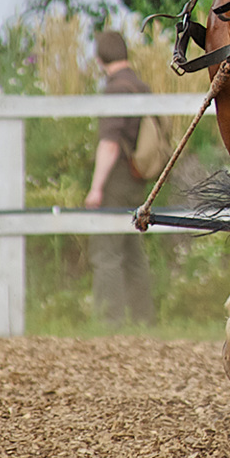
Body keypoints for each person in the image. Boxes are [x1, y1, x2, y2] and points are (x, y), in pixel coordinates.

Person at [83, 30, 156, 328]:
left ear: (100, 59)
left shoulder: (115, 90)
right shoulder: (141, 86)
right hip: (139, 179)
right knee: (132, 252)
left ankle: (108, 321)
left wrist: (96, 188)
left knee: (107, 253)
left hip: (117, 179)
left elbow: (110, 144)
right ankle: (144, 320)